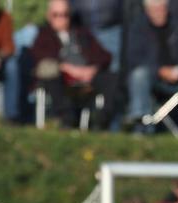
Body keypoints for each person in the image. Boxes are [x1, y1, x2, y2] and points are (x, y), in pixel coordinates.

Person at [124, 0, 178, 138]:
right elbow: (134, 58)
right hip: (151, 77)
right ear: (147, 11)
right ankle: (140, 123)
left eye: (162, 9)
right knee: (138, 75)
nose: (159, 13)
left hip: (177, 77)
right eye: (155, 9)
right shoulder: (138, 28)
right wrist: (159, 70)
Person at [31, 0, 121, 129]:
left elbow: (104, 55)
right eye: (56, 15)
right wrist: (67, 68)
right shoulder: (43, 35)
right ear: (49, 16)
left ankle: (101, 121)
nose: (61, 19)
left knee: (112, 78)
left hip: (87, 74)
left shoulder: (81, 33)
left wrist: (92, 69)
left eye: (65, 14)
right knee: (50, 71)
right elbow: (39, 56)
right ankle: (67, 118)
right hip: (61, 77)